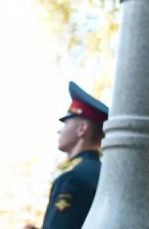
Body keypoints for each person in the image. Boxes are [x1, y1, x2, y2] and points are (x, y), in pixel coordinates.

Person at [41, 82, 108, 229]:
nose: (59, 131)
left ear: (82, 129)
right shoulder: (105, 174)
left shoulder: (73, 179)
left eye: (65, 123)